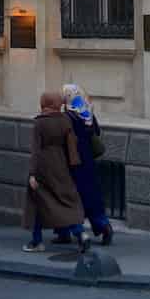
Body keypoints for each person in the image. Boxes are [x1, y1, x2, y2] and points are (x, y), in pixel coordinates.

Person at [23, 92, 88, 254]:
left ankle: (36, 241)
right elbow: (71, 144)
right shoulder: (65, 120)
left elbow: (36, 150)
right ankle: (80, 232)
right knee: (64, 200)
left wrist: (32, 173)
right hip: (61, 164)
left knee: (38, 202)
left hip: (43, 167)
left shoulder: (40, 123)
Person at [62, 82, 113, 244]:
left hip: (72, 162)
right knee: (92, 196)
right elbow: (96, 132)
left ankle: (76, 232)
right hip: (88, 162)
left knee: (70, 198)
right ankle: (104, 225)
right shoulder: (87, 112)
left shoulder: (67, 116)